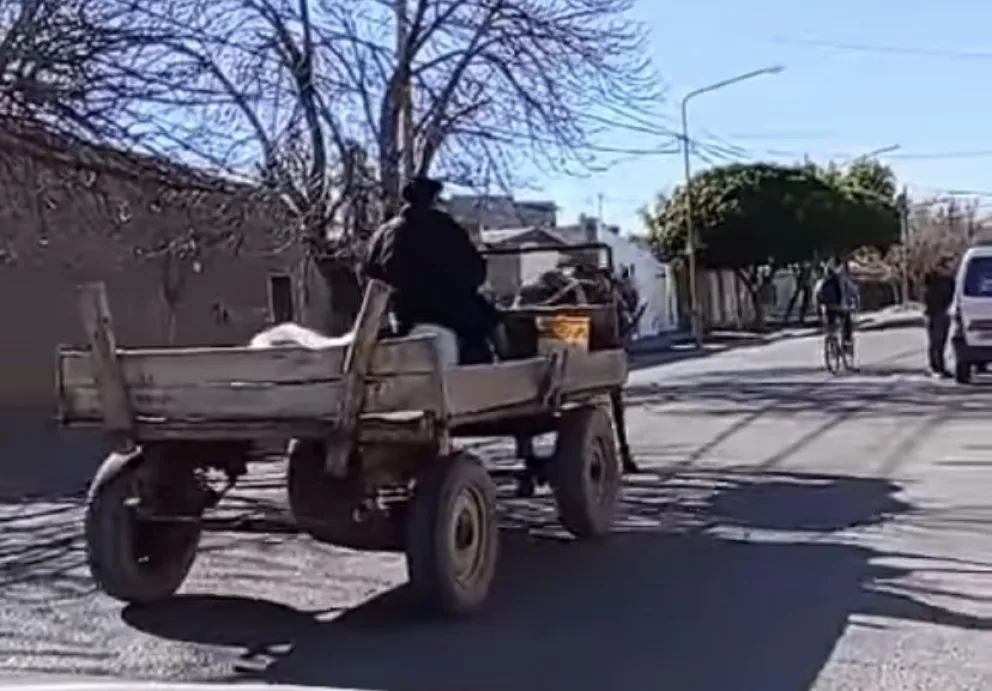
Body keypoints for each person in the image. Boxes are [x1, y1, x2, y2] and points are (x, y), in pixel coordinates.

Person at [362, 176, 500, 364]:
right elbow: (475, 272)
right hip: (447, 311)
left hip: (401, 313)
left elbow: (369, 273)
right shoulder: (447, 228)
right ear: (433, 198)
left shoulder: (383, 233)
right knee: (486, 326)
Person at [813, 259, 858, 353]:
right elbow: (854, 292)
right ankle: (847, 341)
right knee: (847, 323)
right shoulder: (843, 280)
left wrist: (819, 311)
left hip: (829, 308)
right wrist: (855, 305)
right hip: (842, 308)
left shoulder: (821, 282)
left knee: (831, 325)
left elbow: (817, 297)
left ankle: (831, 340)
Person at [923, 256, 955, 377]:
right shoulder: (933, 278)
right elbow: (926, 278)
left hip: (944, 312)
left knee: (941, 342)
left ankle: (940, 366)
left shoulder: (949, 280)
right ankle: (934, 366)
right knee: (935, 341)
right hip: (933, 313)